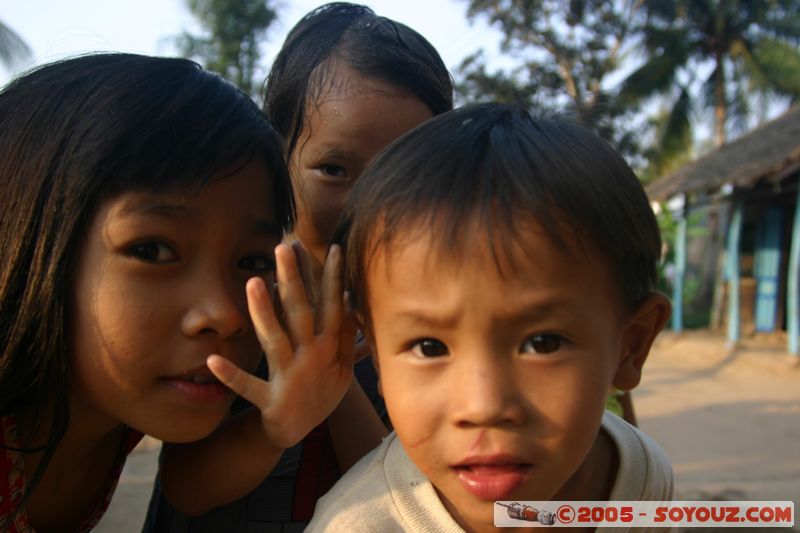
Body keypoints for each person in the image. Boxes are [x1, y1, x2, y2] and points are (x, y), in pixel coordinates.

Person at [0, 53, 354, 532]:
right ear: (28, 241)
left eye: (251, 262)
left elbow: (188, 486)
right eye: (152, 250)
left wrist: (280, 425)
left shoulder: (111, 413)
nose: (226, 314)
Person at [143, 3, 454, 530]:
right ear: (277, 157)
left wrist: (333, 385)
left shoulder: (443, 315)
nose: (371, 202)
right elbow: (185, 486)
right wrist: (271, 428)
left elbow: (407, 502)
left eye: (405, 170)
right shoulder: (237, 299)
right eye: (335, 169)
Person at [307, 103, 675, 532]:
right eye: (430, 347)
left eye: (543, 343)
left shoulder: (641, 477)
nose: (483, 407)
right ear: (376, 357)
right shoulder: (356, 527)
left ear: (631, 344)